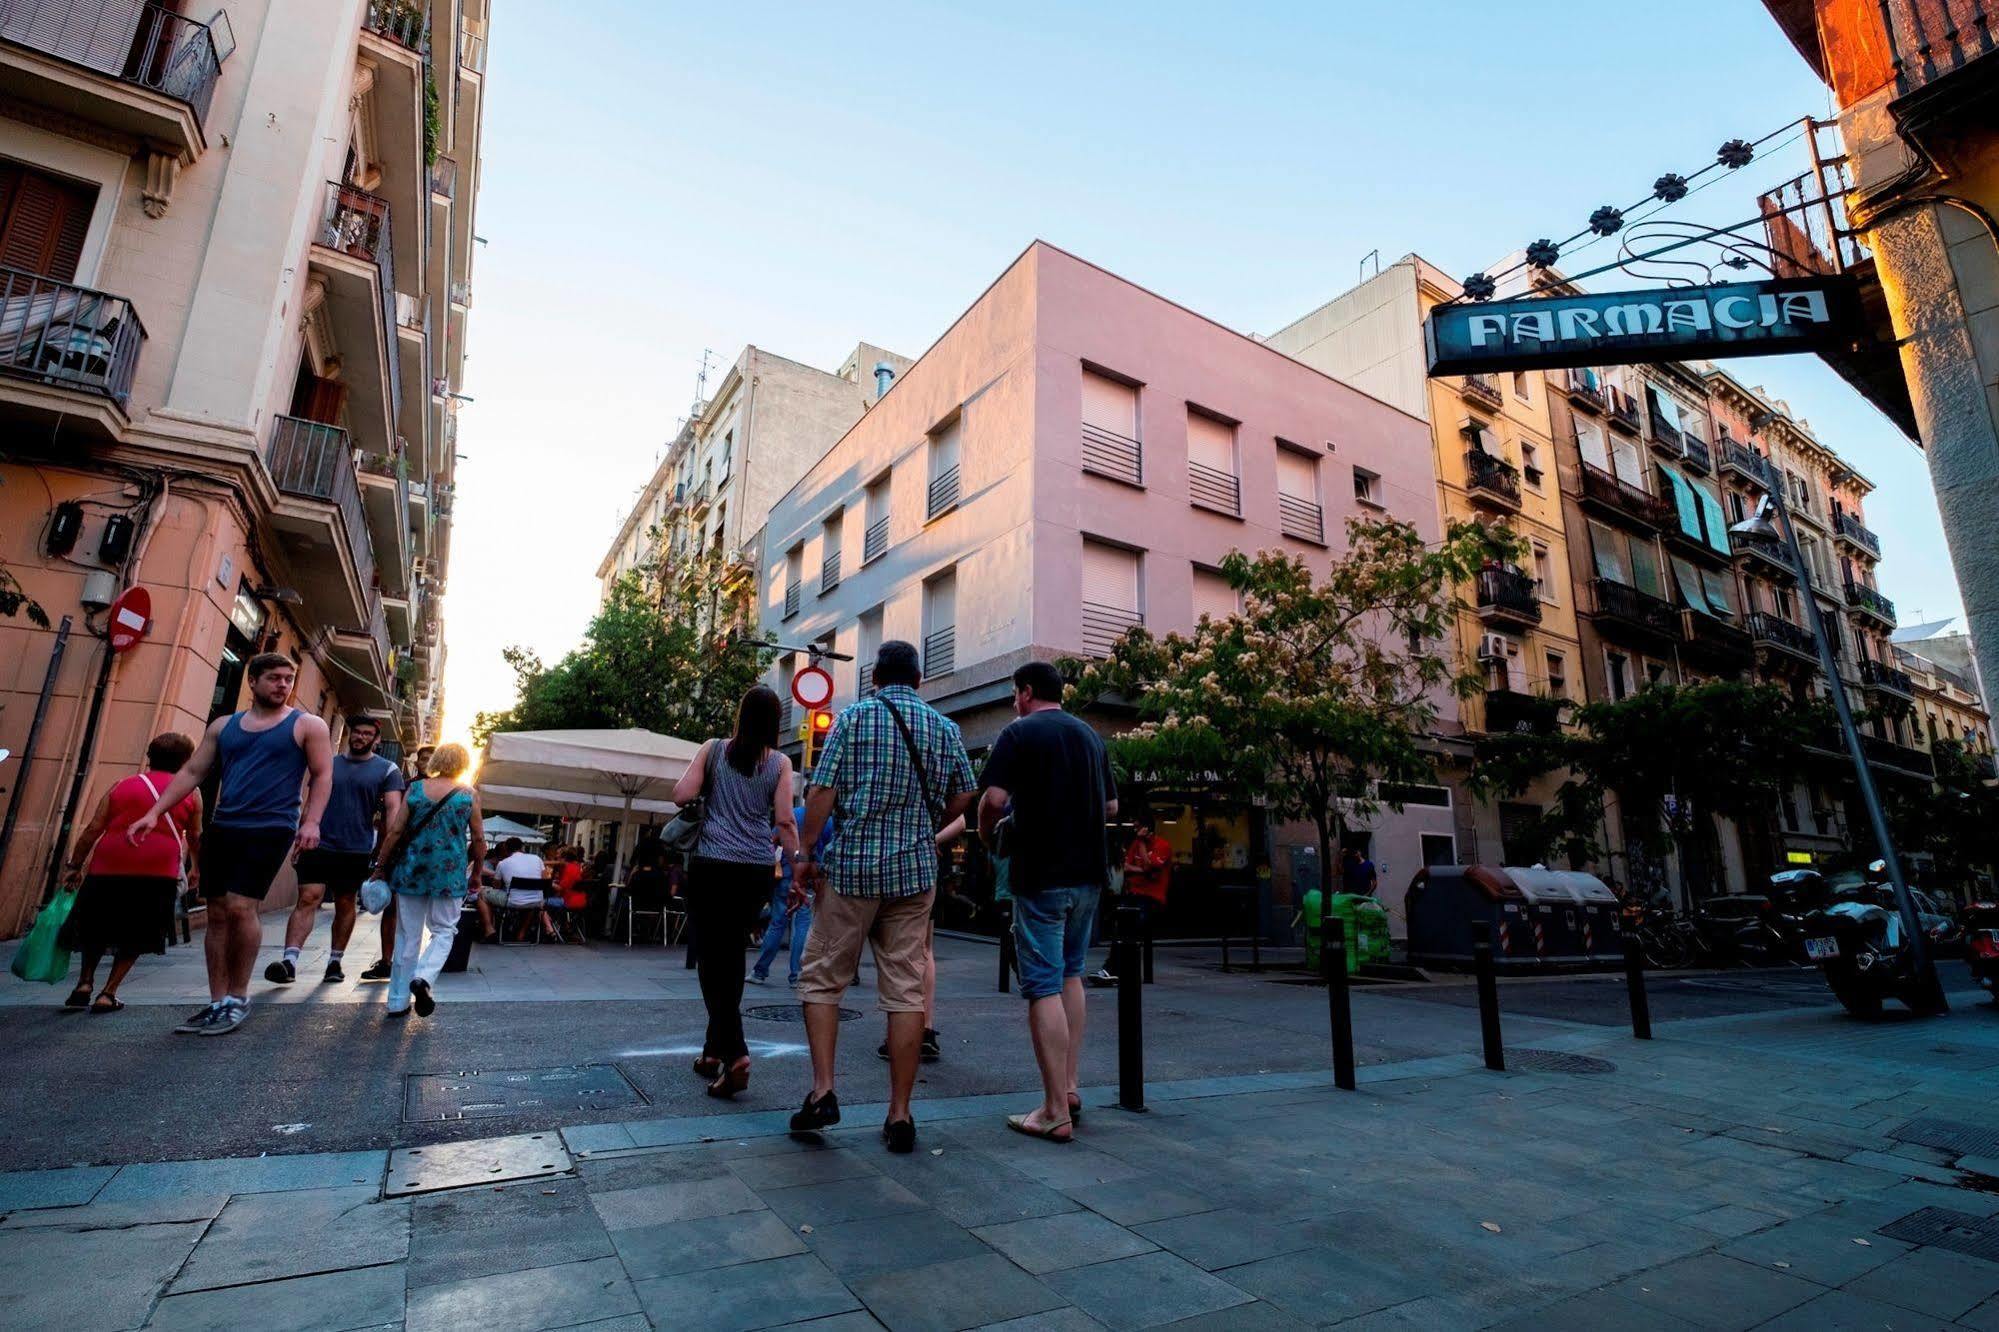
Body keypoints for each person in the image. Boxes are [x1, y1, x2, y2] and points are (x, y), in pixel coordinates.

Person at [790, 640, 976, 1154]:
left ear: (875, 677)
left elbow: (822, 791)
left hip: (851, 870)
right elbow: (966, 793)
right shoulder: (944, 728)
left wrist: (806, 853)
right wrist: (927, 823)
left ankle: (824, 1091)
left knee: (823, 979)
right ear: (918, 679)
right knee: (906, 990)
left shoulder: (853, 719)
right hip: (915, 873)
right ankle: (900, 1114)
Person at [129, 653, 332, 1036]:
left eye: (288, 679)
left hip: (271, 826)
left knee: (241, 907)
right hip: (224, 825)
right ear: (252, 682)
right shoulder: (224, 726)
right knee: (218, 912)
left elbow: (322, 776)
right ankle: (217, 1002)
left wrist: (313, 822)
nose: (283, 685)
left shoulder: (307, 725)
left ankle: (238, 998)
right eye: (274, 678)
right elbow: (192, 771)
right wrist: (155, 811)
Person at [979, 660, 1117, 1142]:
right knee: (1072, 973)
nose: (1014, 701)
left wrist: (988, 835)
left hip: (1040, 876)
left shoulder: (1019, 733)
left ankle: (1054, 1109)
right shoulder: (1091, 736)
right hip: (1089, 875)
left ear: (1027, 691)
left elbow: (994, 800)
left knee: (1041, 985)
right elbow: (1111, 807)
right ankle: (1071, 1086)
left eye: (1015, 692)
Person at [671, 685, 799, 1099]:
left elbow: (681, 794)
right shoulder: (781, 763)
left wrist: (712, 789)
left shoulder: (713, 749)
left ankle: (736, 1053)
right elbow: (784, 821)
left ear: (741, 716)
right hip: (756, 871)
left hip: (712, 866)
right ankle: (712, 1051)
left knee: (712, 962)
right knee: (731, 957)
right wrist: (796, 868)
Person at [56, 732, 203, 1013]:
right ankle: (108, 992)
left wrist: (76, 865)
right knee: (138, 931)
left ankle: (84, 982)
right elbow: (195, 835)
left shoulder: (122, 786)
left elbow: (93, 829)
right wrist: (196, 866)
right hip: (156, 872)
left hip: (108, 865)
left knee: (96, 925)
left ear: (149, 757)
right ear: (186, 761)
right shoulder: (191, 793)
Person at [268, 715, 405, 985]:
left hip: (356, 849)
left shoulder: (388, 770)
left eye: (367, 734)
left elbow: (393, 811)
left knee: (345, 902)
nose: (360, 737)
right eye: (357, 732)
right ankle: (289, 961)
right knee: (309, 896)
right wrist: (302, 832)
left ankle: (334, 961)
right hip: (318, 842)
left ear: (376, 740)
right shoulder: (329, 764)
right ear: (350, 734)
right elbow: (311, 801)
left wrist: (388, 853)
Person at [377, 743, 484, 1018]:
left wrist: (380, 866)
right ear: (463, 764)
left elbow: (396, 831)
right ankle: (423, 978)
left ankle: (397, 1002)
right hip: (449, 873)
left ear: (436, 760)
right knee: (445, 930)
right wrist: (477, 872)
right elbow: (480, 839)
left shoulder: (415, 789)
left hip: (412, 869)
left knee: (407, 935)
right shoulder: (468, 795)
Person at [751, 803, 825, 986]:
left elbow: (772, 840)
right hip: (809, 878)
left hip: (786, 875)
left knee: (777, 924)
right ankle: (796, 975)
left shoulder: (792, 814)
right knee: (802, 926)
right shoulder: (826, 819)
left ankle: (759, 971)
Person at [481, 837, 556, 939]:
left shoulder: (503, 863)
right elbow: (544, 879)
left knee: (482, 894)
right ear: (522, 847)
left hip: (512, 901)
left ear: (506, 850)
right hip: (537, 901)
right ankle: (521, 933)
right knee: (529, 902)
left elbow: (496, 886)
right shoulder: (537, 859)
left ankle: (489, 930)